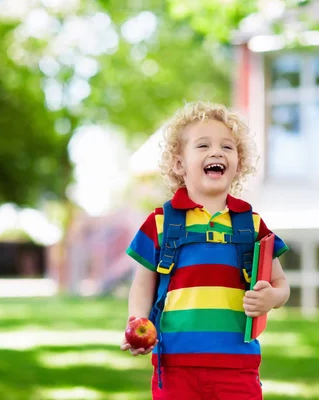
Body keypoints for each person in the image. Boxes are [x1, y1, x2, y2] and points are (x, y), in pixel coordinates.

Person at [120, 101, 290, 399]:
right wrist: (138, 321)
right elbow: (143, 283)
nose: (217, 152)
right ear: (178, 164)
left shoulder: (251, 224)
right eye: (203, 145)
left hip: (238, 367)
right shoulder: (160, 222)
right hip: (175, 368)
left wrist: (272, 297)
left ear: (239, 163)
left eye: (227, 147)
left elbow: (281, 284)